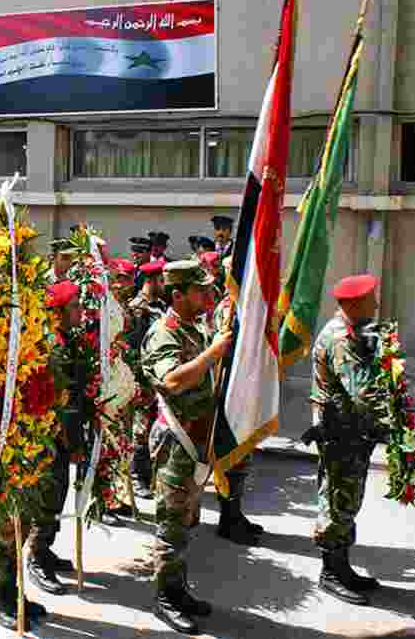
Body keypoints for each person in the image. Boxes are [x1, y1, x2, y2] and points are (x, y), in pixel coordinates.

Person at [142, 260, 232, 634]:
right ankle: (165, 598)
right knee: (171, 526)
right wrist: (213, 353)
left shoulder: (193, 327)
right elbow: (173, 381)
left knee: (185, 522)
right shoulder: (165, 332)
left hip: (196, 439)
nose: (208, 295)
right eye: (201, 290)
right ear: (177, 294)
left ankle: (178, 590)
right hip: (176, 445)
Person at [306, 274, 389, 606]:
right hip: (341, 432)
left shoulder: (351, 332)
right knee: (339, 500)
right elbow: (362, 394)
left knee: (347, 499)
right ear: (354, 304)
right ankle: (330, 573)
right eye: (371, 300)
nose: (377, 305)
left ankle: (343, 568)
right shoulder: (341, 338)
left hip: (349, 430)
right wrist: (390, 422)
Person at [26, 280, 84, 597]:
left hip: (61, 437)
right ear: (58, 312)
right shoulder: (54, 345)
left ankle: (45, 547)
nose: (80, 310)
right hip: (51, 437)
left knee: (57, 492)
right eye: (74, 305)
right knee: (48, 495)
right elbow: (60, 402)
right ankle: (36, 555)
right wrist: (71, 443)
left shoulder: (65, 339)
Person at [210, 256, 264, 546]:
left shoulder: (246, 307)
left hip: (245, 390)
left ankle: (235, 513)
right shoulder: (229, 309)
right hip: (232, 393)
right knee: (232, 456)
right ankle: (228, 519)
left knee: (243, 457)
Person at [124, 260, 167, 500]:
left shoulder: (160, 306)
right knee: (139, 431)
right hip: (143, 381)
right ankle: (137, 477)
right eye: (162, 280)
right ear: (152, 281)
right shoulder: (137, 308)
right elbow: (134, 349)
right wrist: (142, 381)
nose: (165, 285)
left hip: (158, 381)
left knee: (154, 428)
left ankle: (149, 475)